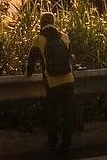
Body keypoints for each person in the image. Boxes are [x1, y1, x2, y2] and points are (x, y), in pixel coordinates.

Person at [26, 11, 75, 155]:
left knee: (52, 113)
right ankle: (66, 144)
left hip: (52, 83)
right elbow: (71, 58)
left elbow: (31, 61)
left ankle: (52, 142)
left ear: (41, 23)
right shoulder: (65, 37)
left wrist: (28, 74)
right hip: (68, 80)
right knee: (68, 113)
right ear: (53, 23)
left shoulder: (38, 39)